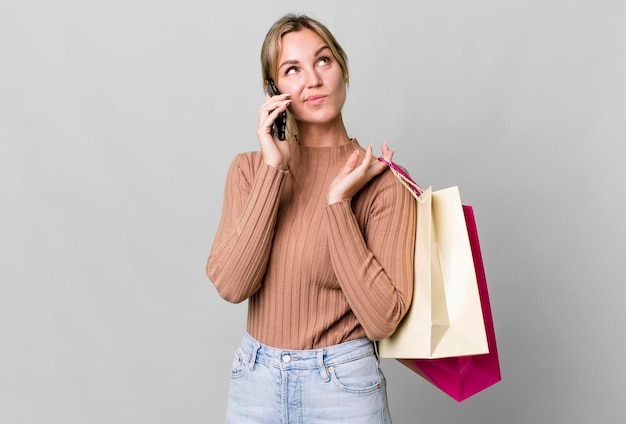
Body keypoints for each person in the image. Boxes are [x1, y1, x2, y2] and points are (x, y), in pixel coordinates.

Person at [206, 13, 416, 423]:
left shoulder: (381, 183)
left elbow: (381, 320)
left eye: (323, 61)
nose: (313, 80)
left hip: (343, 386)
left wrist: (338, 203)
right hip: (255, 382)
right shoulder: (250, 171)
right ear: (273, 90)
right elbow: (232, 285)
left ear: (342, 69)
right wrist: (274, 170)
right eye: (292, 70)